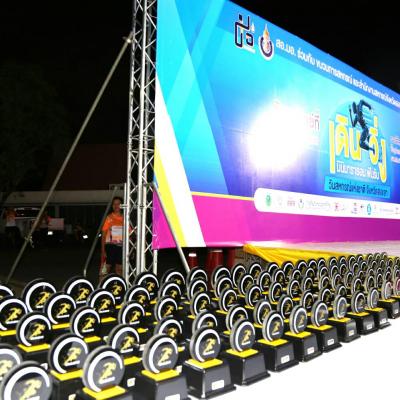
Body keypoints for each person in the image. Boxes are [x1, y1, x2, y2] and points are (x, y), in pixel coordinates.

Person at [101, 196, 124, 279]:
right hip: (110, 246)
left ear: (122, 205)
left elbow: (130, 234)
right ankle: (101, 285)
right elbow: (103, 235)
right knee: (105, 269)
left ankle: (119, 284)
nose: (116, 206)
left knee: (119, 269)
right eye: (114, 204)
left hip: (121, 247)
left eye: (118, 204)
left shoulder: (125, 218)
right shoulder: (109, 218)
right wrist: (103, 250)